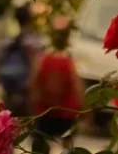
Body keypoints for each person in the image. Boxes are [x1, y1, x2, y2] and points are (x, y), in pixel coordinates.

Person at [30, 22, 83, 150]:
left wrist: (32, 107)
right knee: (67, 146)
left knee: (41, 145)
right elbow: (77, 87)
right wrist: (84, 109)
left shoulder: (42, 59)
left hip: (45, 110)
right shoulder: (69, 61)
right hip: (67, 111)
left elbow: (33, 85)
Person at [0, 5, 42, 116]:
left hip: (9, 84)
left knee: (10, 116)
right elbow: (35, 63)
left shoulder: (8, 41)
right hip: (25, 85)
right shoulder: (33, 41)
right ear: (30, 19)